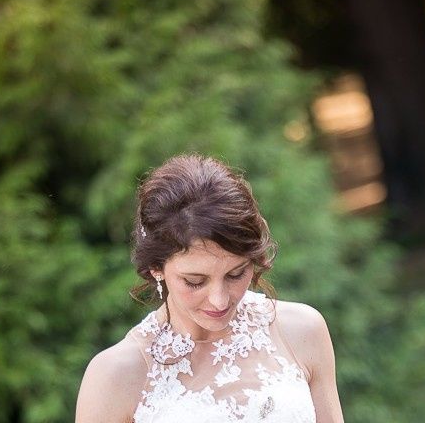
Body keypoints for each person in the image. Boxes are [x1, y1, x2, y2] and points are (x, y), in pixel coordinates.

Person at [75, 154, 344, 422]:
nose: (219, 300)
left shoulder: (302, 330)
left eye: (236, 274)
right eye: (195, 281)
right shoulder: (114, 376)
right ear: (156, 268)